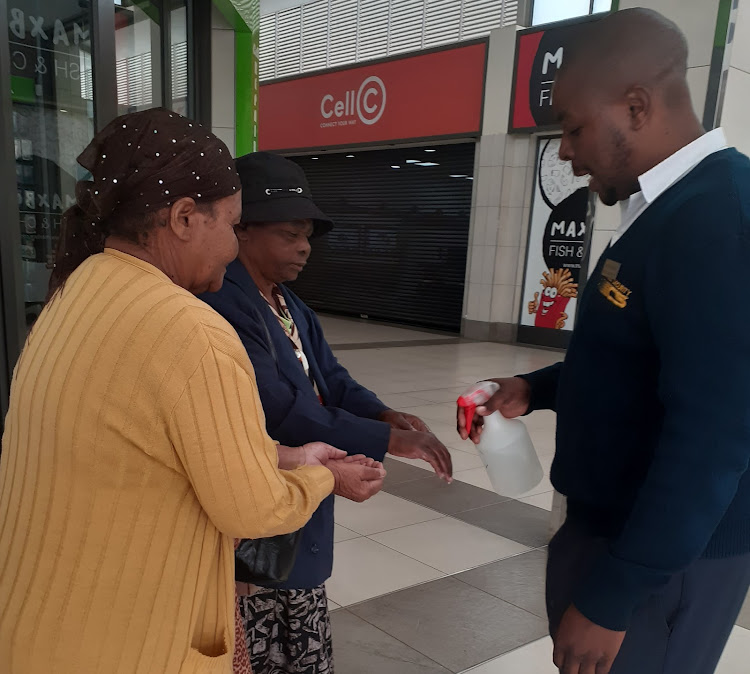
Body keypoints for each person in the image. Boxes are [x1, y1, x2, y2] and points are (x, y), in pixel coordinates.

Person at [0, 108, 386, 674]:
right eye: (231, 225)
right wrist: (325, 475)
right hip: (129, 641)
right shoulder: (190, 328)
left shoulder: (73, 294)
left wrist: (288, 455)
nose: (233, 247)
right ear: (183, 218)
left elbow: (151, 447)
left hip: (40, 624)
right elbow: (252, 507)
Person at [458, 9, 750, 674]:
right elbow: (643, 360)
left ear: (638, 106)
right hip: (618, 537)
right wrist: (534, 389)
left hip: (663, 564)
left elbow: (713, 435)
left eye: (574, 126)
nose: (563, 150)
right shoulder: (666, 209)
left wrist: (617, 593)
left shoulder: (719, 219)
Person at [200, 151, 453, 674]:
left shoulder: (289, 305)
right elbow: (281, 408)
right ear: (242, 230)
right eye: (290, 233)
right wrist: (389, 443)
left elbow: (332, 381)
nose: (304, 247)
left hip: (300, 510)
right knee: (267, 632)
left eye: (308, 235)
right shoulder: (224, 303)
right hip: (261, 509)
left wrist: (383, 416)